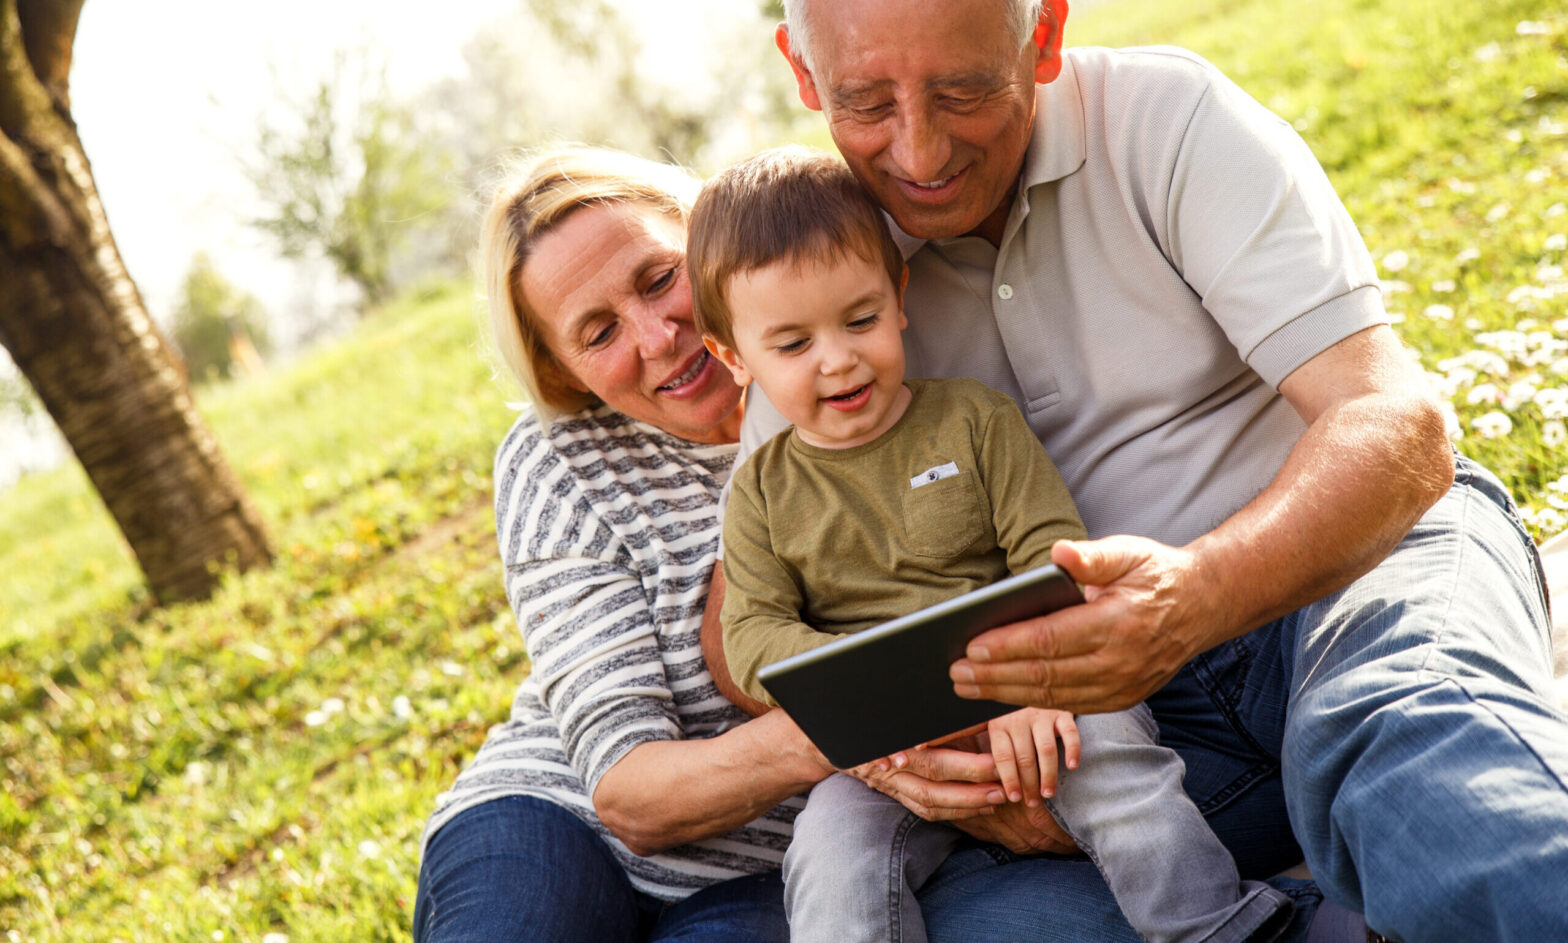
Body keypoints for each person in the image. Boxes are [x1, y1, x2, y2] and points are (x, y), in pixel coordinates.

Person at [704, 0, 1568, 938]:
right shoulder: (808, 273)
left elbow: (1393, 420)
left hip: (1336, 579)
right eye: (866, 102)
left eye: (962, 90)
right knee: (979, 922)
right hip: (1112, 735)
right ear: (803, 74)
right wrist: (888, 741)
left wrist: (1197, 593)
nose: (918, 153)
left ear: (1043, 36)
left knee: (1417, 743)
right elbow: (747, 617)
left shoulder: (1167, 120)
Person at [411, 144, 1177, 943]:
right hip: (556, 816)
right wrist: (873, 722)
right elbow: (628, 791)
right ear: (562, 370)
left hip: (780, 861)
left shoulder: (867, 366)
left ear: (709, 250)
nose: (658, 334)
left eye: (658, 278)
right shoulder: (559, 459)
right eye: (598, 332)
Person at [690, 145, 1296, 943]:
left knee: (1113, 756)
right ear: (735, 357)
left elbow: (1049, 551)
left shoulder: (974, 421)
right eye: (793, 345)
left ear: (899, 296)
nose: (838, 358)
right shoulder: (763, 492)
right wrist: (881, 718)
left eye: (861, 318)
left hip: (1035, 686)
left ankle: (1217, 926)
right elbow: (756, 635)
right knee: (831, 851)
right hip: (891, 749)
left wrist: (1030, 683)